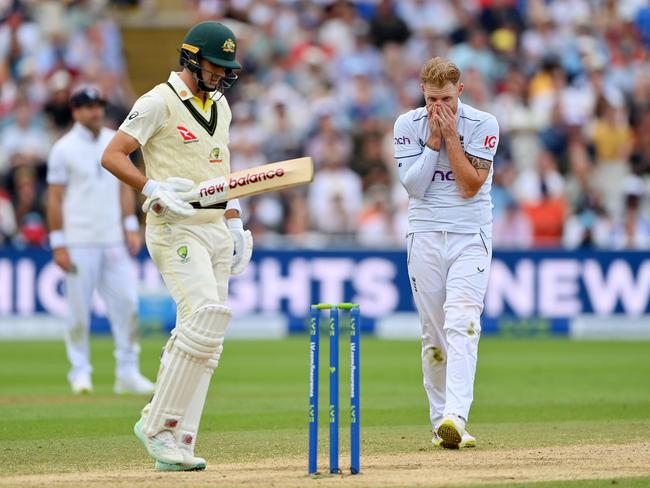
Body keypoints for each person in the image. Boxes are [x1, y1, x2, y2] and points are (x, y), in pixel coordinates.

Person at [101, 21, 253, 472]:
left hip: (214, 230)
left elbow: (221, 166)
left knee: (210, 340)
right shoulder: (157, 101)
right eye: (214, 64)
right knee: (203, 318)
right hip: (175, 229)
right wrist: (151, 189)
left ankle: (181, 438)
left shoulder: (220, 105)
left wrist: (234, 221)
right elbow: (112, 154)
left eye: (228, 67)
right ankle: (155, 426)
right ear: (190, 57)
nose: (221, 74)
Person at [393, 57, 499, 449]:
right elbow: (415, 187)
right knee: (434, 336)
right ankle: (440, 423)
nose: (439, 108)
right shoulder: (408, 124)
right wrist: (434, 142)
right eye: (432, 98)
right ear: (422, 91)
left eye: (447, 99)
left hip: (470, 234)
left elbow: (471, 185)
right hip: (424, 234)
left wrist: (451, 137)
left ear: (461, 91)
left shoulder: (483, 124)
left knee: (464, 323)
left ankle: (456, 415)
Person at [46, 86, 155, 396]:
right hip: (79, 240)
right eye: (89, 106)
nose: (96, 111)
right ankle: (80, 372)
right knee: (78, 312)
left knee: (128, 306)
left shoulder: (113, 140)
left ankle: (128, 372)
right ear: (75, 111)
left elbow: (123, 187)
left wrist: (131, 225)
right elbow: (55, 199)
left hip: (113, 240)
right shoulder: (63, 149)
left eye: (99, 106)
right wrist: (58, 242)